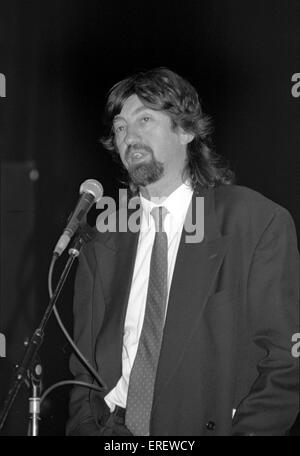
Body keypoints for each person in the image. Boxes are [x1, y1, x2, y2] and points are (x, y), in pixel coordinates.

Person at [66, 67, 299, 436]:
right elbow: (83, 369)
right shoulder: (103, 239)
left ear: (187, 130)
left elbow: (285, 366)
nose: (130, 136)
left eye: (145, 118)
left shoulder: (254, 222)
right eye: (121, 127)